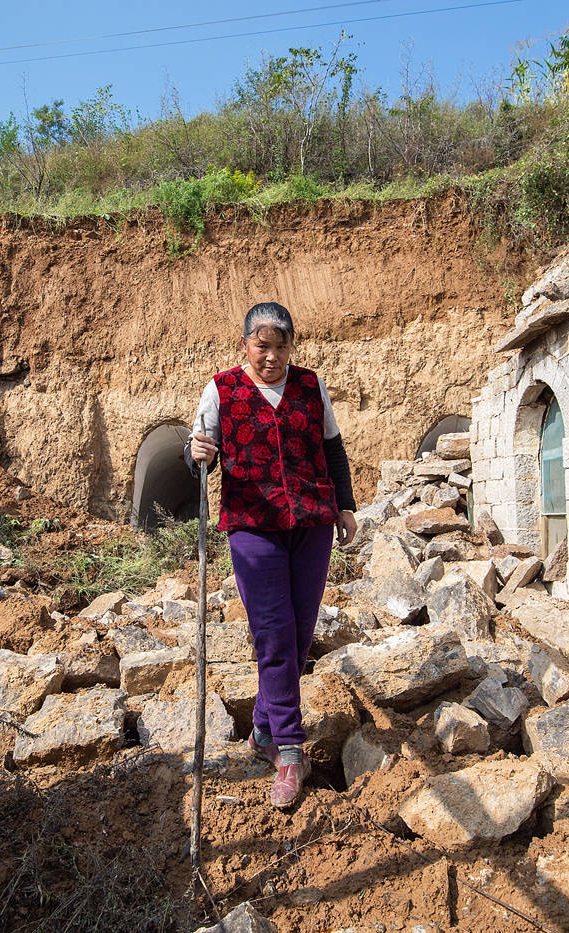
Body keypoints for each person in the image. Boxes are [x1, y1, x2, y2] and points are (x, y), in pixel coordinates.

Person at [188, 301, 357, 809]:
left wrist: (344, 506)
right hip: (252, 527)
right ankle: (288, 749)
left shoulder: (310, 386)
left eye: (281, 346)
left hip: (311, 523)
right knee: (275, 633)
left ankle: (263, 726)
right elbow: (202, 454)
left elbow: (332, 448)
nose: (272, 356)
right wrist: (197, 455)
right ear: (246, 344)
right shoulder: (221, 389)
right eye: (262, 346)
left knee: (301, 632)